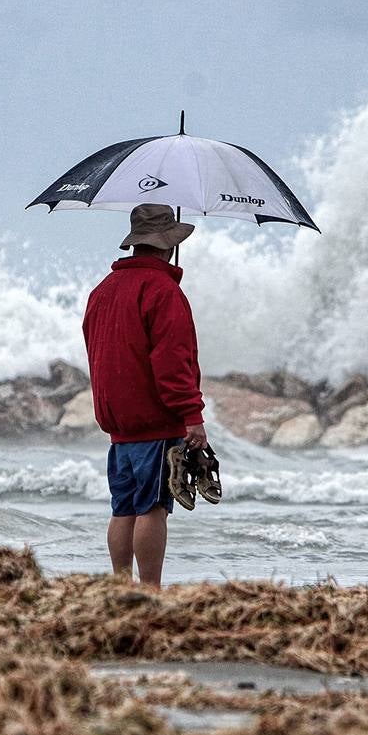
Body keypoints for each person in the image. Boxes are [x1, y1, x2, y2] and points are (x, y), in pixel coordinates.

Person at [82, 204, 209, 588]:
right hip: (155, 421)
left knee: (123, 508)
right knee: (153, 507)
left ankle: (121, 589)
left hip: (118, 424)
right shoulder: (164, 291)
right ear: (168, 246)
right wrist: (192, 417)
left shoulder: (101, 291)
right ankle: (150, 593)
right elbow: (172, 364)